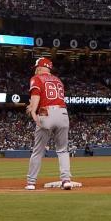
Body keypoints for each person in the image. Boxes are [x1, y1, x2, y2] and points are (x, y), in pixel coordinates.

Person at [25, 57, 72, 190]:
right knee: (63, 150)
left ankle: (31, 182)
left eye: (36, 68)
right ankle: (66, 180)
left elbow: (36, 98)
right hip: (63, 114)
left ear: (40, 67)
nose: (35, 70)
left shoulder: (37, 78)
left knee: (38, 150)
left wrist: (33, 112)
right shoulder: (58, 80)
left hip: (46, 113)